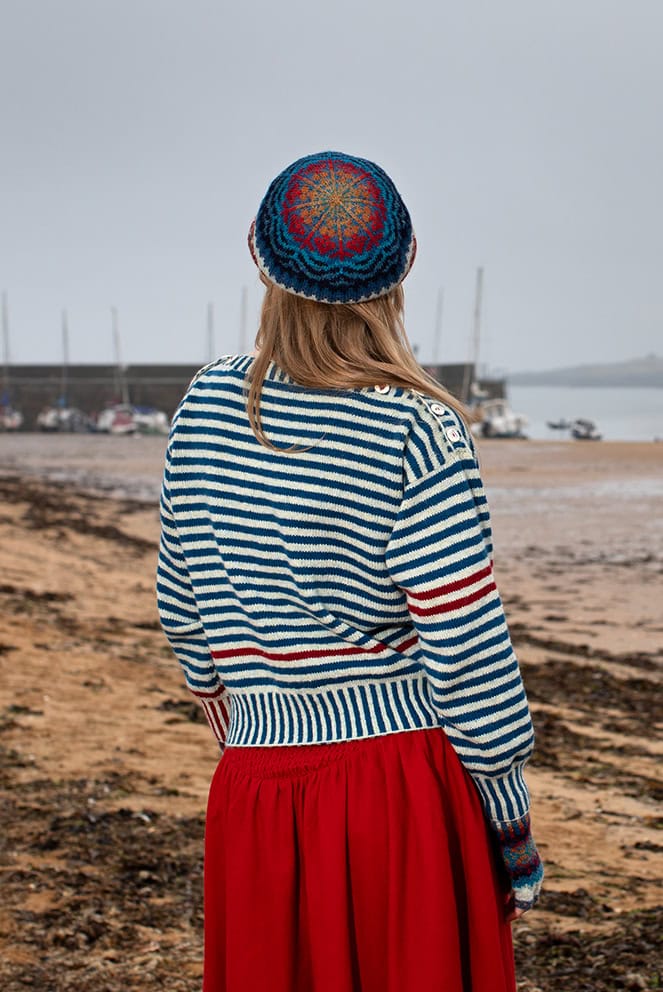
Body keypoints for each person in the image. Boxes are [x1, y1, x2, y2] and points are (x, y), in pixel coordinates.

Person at [156, 150, 543, 992]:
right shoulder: (418, 428)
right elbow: (467, 647)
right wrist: (509, 828)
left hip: (253, 792)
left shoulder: (206, 405)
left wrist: (248, 727)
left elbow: (181, 607)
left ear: (264, 263)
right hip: (398, 792)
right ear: (397, 276)